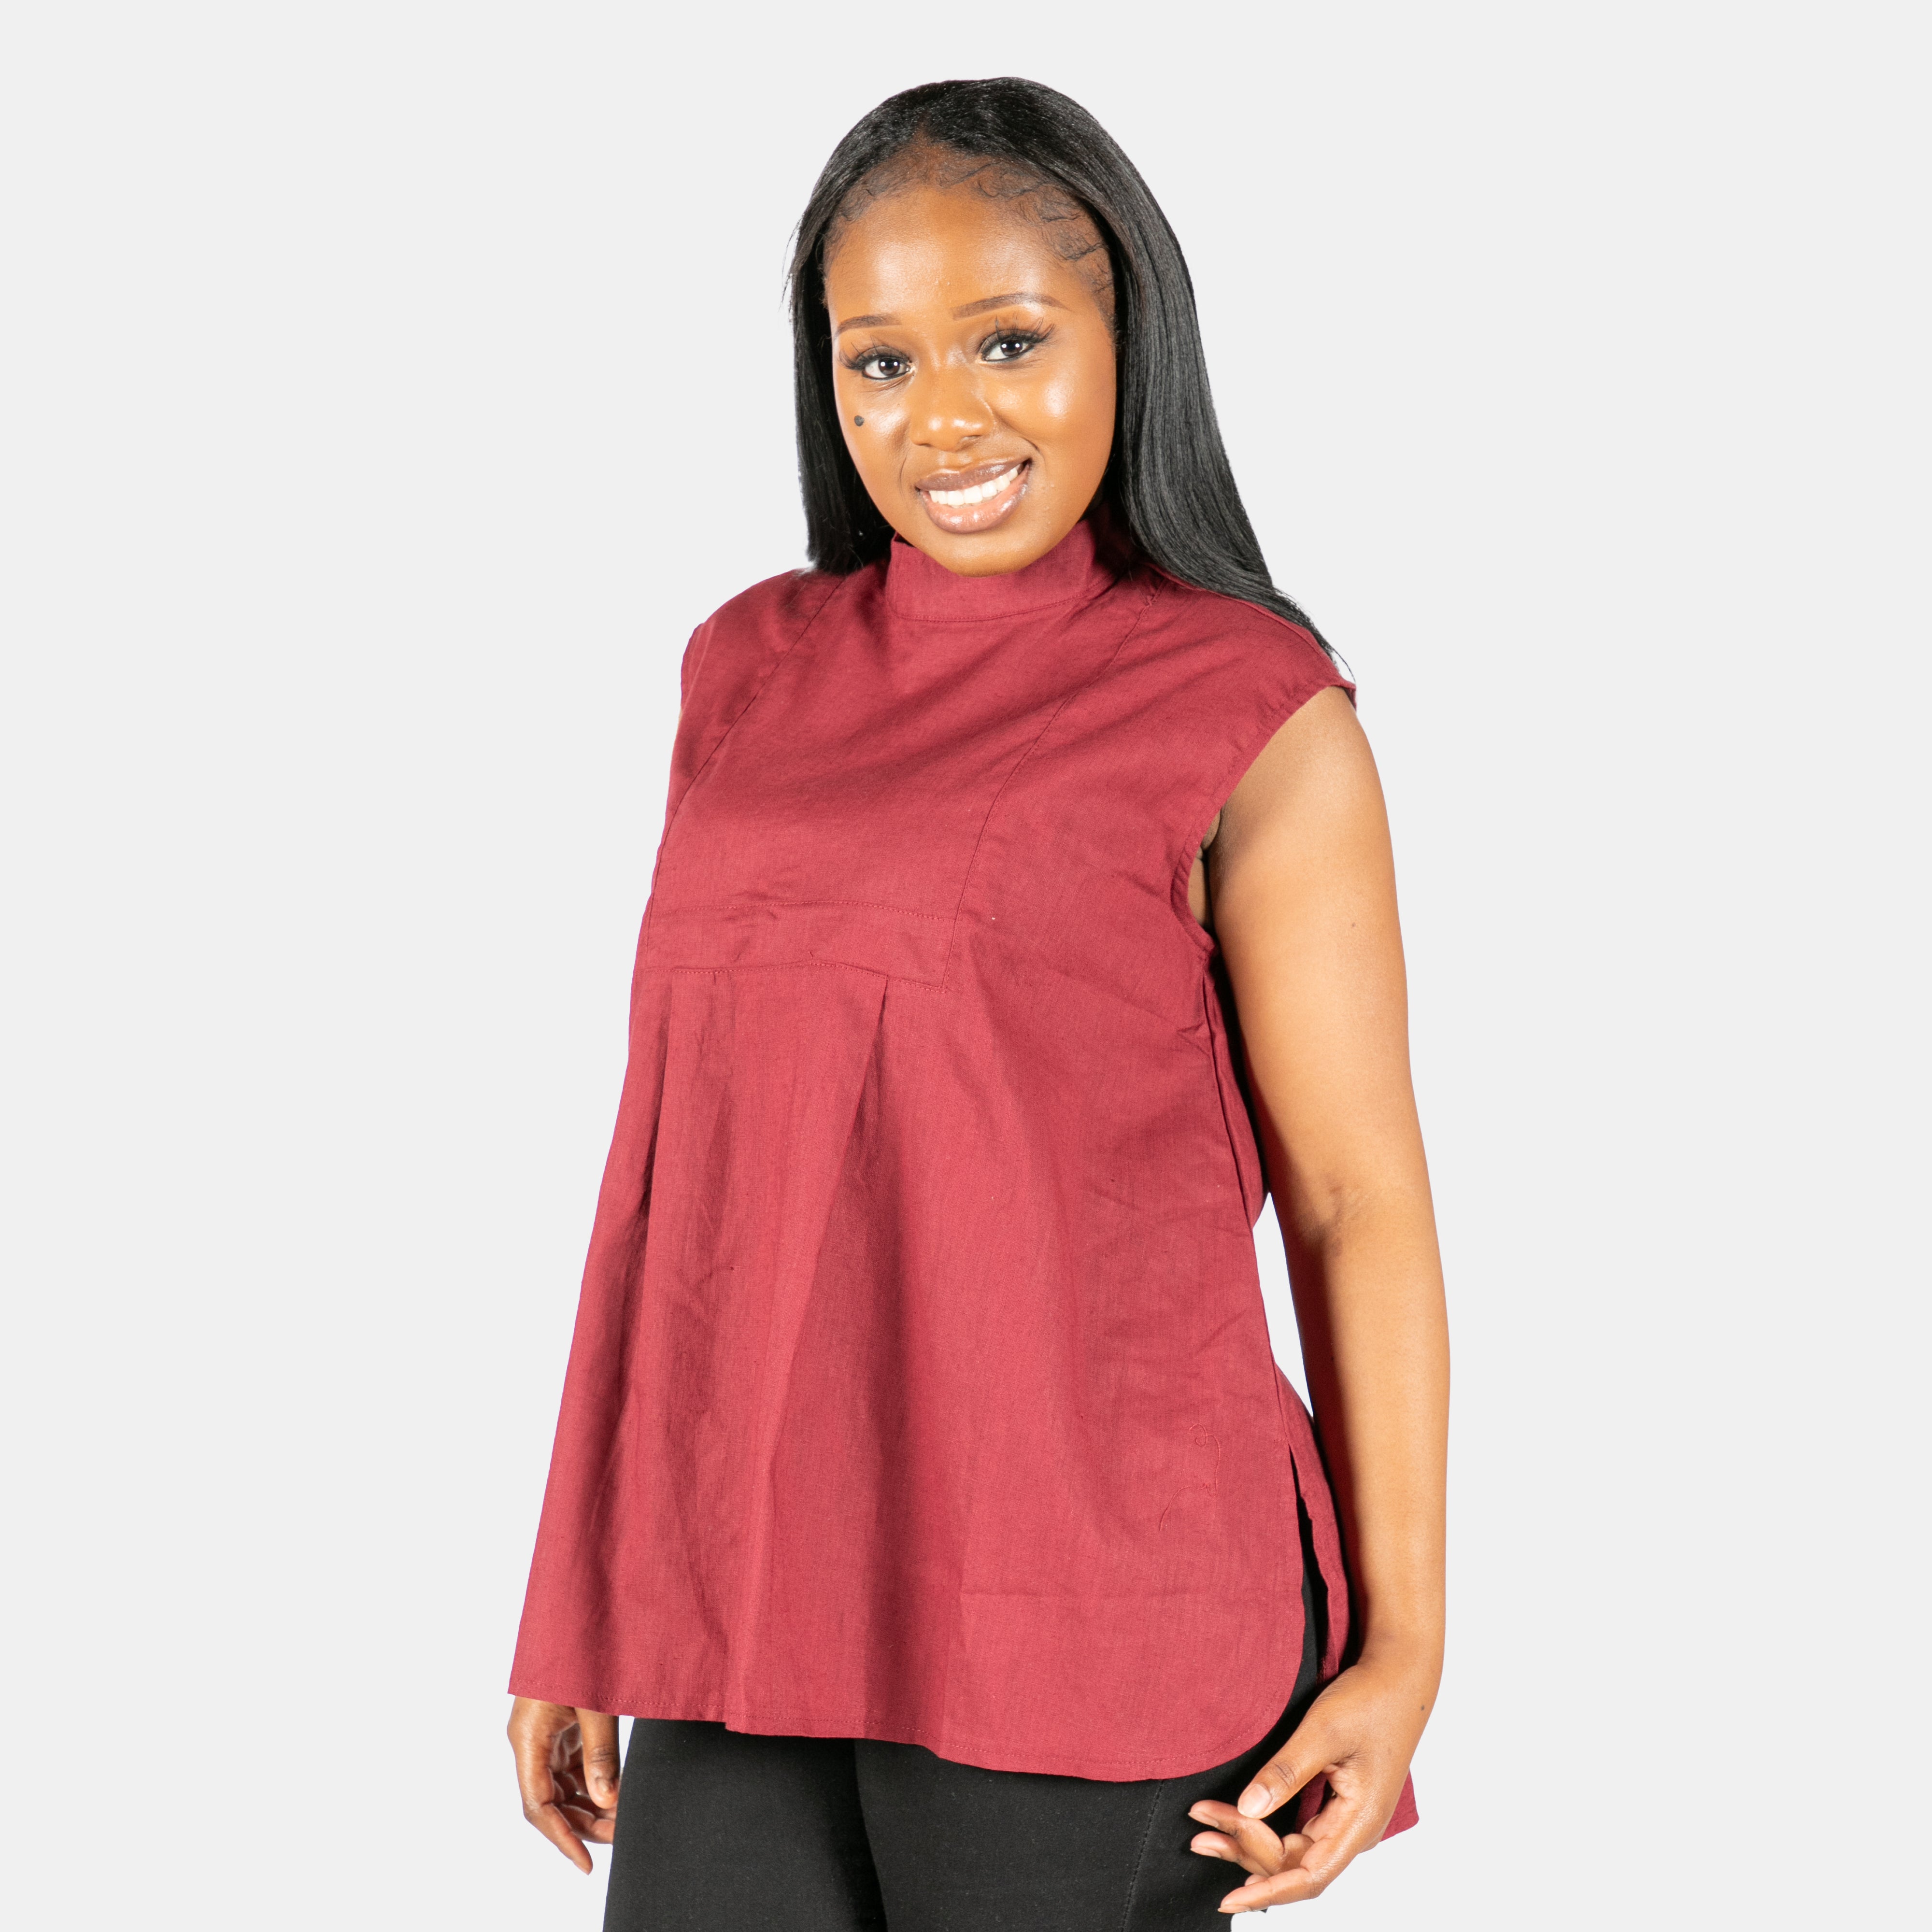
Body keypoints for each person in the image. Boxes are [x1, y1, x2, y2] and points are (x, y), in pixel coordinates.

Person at [506, 76, 1448, 1928]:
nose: (941, 418)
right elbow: (681, 1180)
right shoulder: (747, 671)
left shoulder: (1248, 706)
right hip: (754, 1594)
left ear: (1131, 337)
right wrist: (589, 1596)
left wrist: (1405, 1646)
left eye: (1008, 340)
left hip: (1097, 1599)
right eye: (879, 361)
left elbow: (1354, 1203)